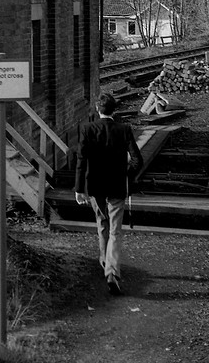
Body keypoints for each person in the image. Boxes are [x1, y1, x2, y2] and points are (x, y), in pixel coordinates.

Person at [74, 92, 143, 295]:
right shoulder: (124, 129)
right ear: (114, 110)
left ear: (97, 109)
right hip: (116, 187)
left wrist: (79, 189)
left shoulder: (87, 129)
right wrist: (125, 175)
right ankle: (111, 270)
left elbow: (81, 160)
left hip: (95, 187)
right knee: (115, 230)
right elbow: (137, 160)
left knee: (102, 225)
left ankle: (106, 263)